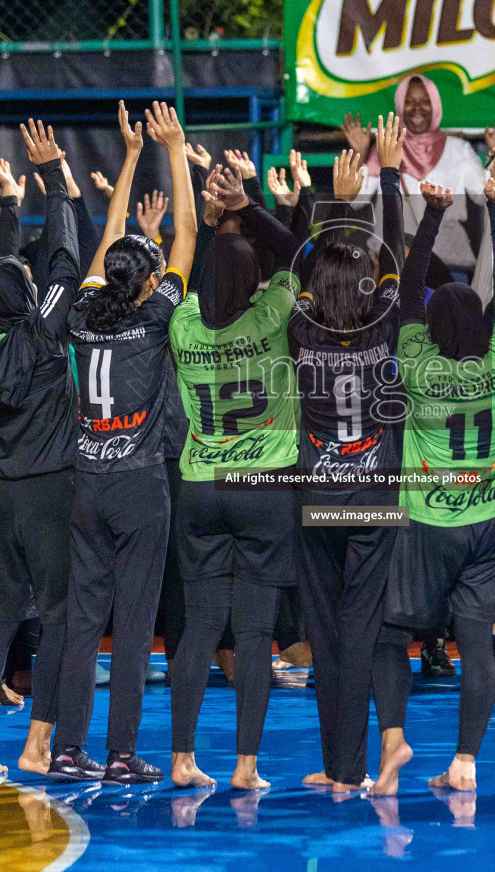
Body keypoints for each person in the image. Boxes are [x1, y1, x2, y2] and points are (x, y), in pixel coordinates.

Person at [368, 134, 495, 797]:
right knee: (476, 638)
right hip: (494, 518)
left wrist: (429, 216)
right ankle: (465, 762)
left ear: (432, 331)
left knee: (386, 634)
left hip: (429, 518)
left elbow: (408, 294)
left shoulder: (419, 365)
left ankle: (396, 739)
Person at [57, 102, 197, 785]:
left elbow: (111, 241)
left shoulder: (83, 316)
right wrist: (172, 149)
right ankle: (119, 754)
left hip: (87, 483)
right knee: (135, 626)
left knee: (84, 619)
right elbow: (189, 236)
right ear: (149, 281)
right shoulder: (156, 318)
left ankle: (66, 747)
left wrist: (131, 153)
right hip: (141, 483)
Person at [167, 163, 301, 791]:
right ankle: (246, 765)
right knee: (254, 632)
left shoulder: (185, 324)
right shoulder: (271, 313)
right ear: (253, 280)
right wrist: (247, 206)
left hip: (200, 483)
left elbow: (190, 273)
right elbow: (297, 252)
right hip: (265, 487)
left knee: (198, 627)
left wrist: (204, 212)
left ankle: (183, 759)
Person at [0, 121, 82, 779]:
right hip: (50, 490)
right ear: (27, 302)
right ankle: (37, 744)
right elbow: (65, 260)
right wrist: (54, 176)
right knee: (57, 617)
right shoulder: (42, 333)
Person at [289, 121, 407, 793]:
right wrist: (385, 179)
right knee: (359, 628)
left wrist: (328, 203)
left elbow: (306, 266)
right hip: (376, 498)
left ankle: (341, 766)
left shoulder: (299, 327)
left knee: (325, 632)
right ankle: (348, 769)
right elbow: (390, 260)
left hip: (315, 499)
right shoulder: (385, 319)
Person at [342, 74, 495, 274]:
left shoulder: (458, 150)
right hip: (392, 265)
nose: (417, 108)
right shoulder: (386, 148)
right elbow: (355, 200)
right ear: (399, 106)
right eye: (409, 102)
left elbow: (485, 194)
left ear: (436, 106)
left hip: (446, 265)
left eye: (425, 101)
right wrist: (360, 153)